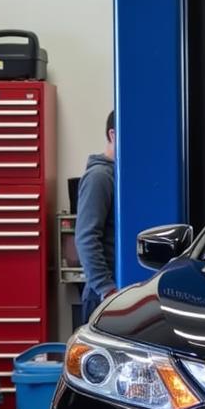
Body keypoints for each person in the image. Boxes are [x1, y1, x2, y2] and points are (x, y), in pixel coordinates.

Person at [76, 110, 117, 322]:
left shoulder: (121, 175)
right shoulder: (100, 177)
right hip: (102, 296)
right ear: (112, 135)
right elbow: (86, 237)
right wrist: (106, 288)